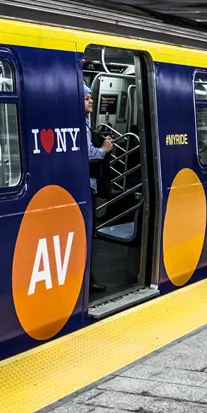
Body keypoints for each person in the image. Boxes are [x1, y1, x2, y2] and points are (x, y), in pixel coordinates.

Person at [84, 84, 114, 294]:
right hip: (87, 186)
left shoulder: (85, 123)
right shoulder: (81, 125)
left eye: (91, 98)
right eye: (87, 98)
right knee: (88, 234)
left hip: (88, 184)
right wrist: (104, 150)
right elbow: (88, 153)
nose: (91, 101)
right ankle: (88, 280)